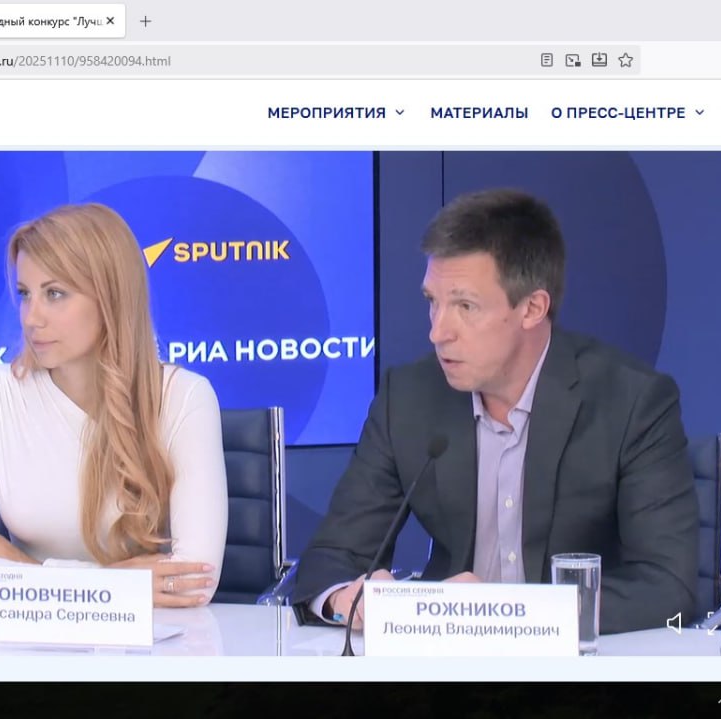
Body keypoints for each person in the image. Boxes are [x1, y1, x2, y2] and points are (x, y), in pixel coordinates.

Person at [291, 188, 699, 634]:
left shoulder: (631, 402)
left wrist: (507, 613)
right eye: (432, 302)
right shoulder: (407, 399)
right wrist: (347, 600)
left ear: (532, 308)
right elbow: (333, 558)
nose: (438, 332)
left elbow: (666, 586)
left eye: (465, 306)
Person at [0, 203, 228, 608]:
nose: (32, 318)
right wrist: (118, 583)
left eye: (55, 294)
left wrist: (21, 565)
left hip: (155, 640)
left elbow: (192, 582)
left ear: (110, 298)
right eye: (25, 294)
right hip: (26, 639)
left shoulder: (184, 397)